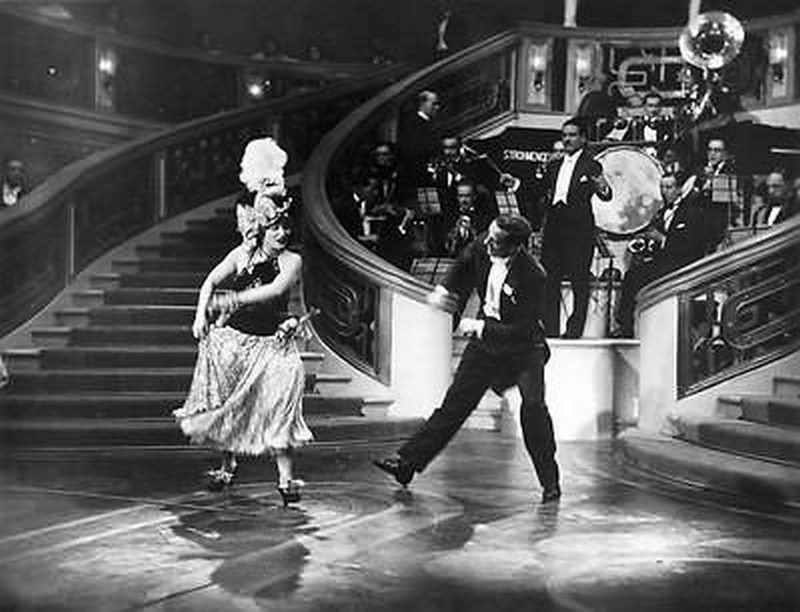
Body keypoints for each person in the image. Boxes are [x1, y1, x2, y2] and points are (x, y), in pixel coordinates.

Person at [373, 214, 561, 504]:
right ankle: (406, 463)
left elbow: (523, 329)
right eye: (489, 234)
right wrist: (444, 289)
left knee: (534, 408)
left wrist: (479, 326)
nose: (487, 241)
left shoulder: (533, 274)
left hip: (524, 349)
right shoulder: (483, 244)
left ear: (514, 247)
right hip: (486, 347)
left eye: (496, 240)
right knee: (455, 404)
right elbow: (462, 265)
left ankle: (550, 481)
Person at [173, 138, 312, 506]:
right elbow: (209, 282)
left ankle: (286, 481)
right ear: (261, 229)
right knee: (230, 409)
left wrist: (239, 299)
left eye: (286, 227)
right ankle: (227, 466)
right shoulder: (241, 254)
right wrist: (199, 315)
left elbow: (274, 291)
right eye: (276, 228)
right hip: (233, 343)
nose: (283, 233)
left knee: (280, 405)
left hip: (273, 347)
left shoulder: (291, 261)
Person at [613, 173, 711, 338]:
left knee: (636, 277)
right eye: (662, 187)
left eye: (669, 187)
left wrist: (662, 239)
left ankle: (628, 326)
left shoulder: (691, 212)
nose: (665, 191)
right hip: (661, 261)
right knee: (631, 274)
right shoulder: (662, 212)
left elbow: (692, 246)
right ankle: (625, 325)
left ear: (679, 189)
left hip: (680, 264)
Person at [540, 118, 612, 339]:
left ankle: (574, 330)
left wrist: (603, 188)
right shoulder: (553, 165)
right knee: (548, 279)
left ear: (583, 138)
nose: (567, 140)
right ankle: (550, 329)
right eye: (564, 135)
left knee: (579, 280)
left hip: (579, 229)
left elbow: (606, 195)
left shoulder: (592, 165)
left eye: (572, 135)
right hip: (554, 227)